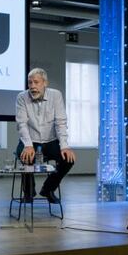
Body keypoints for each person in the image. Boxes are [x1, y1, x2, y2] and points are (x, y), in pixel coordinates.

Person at [16, 67, 76, 203]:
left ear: (45, 83)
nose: (32, 86)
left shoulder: (56, 95)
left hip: (50, 141)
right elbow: (22, 124)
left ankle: (48, 189)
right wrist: (28, 145)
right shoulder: (21, 97)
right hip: (30, 141)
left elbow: (60, 122)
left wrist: (64, 146)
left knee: (68, 159)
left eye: (36, 82)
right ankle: (29, 192)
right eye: (30, 83)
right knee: (24, 156)